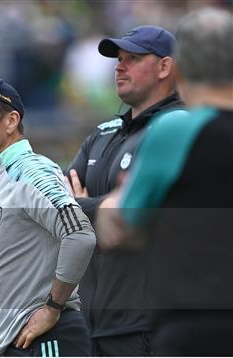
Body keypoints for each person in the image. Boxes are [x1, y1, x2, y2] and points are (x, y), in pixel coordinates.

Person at [97, 7, 233, 355]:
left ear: (178, 68)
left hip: (197, 326)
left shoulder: (176, 129)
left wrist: (114, 199)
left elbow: (123, 225)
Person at [0, 78, 96, 356]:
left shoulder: (28, 170)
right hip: (19, 339)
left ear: (11, 121)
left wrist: (53, 307)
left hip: (49, 338)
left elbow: (80, 235)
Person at [65, 26, 184, 355]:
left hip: (150, 325)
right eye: (118, 59)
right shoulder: (103, 134)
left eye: (132, 58)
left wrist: (82, 204)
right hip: (95, 325)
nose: (119, 66)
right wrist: (95, 207)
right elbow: (54, 205)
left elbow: (141, 214)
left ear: (164, 67)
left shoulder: (179, 128)